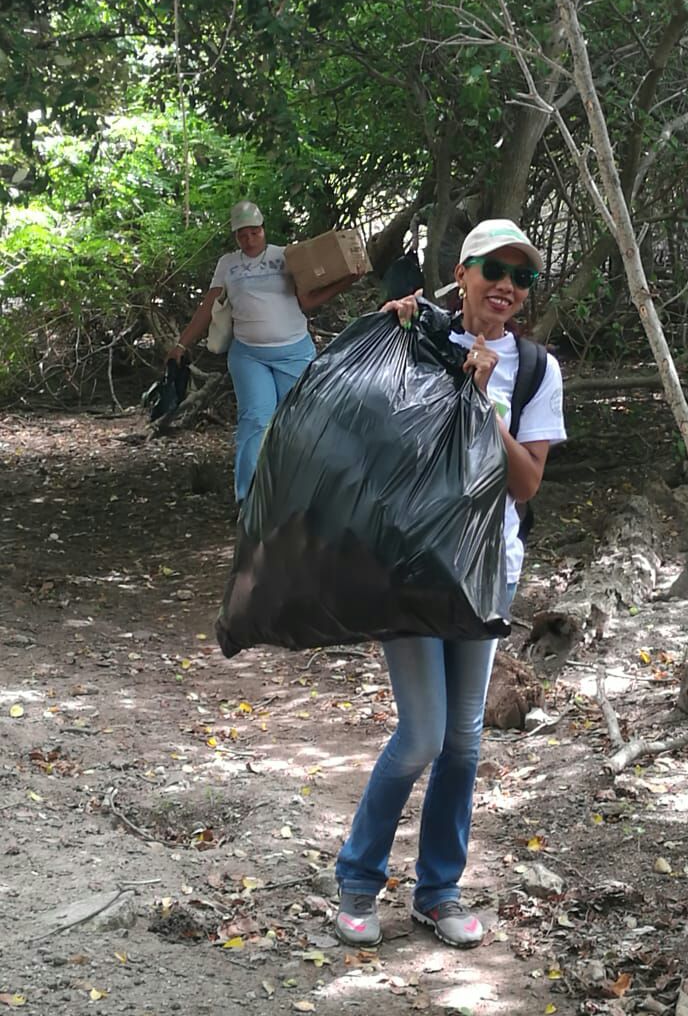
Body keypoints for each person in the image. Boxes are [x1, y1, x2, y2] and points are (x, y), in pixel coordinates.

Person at [334, 217, 566, 950]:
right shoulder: (415, 336)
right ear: (461, 272)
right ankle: (357, 883)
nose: (506, 286)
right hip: (408, 564)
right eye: (493, 269)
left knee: (463, 741)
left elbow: (525, 484)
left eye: (521, 276)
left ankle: (438, 892)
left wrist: (482, 402)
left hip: (487, 569)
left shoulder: (536, 370)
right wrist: (395, 326)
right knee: (422, 735)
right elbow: (366, 429)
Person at [166, 201, 360, 504]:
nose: (249, 239)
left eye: (254, 232)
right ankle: (248, 498)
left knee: (299, 421)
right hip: (249, 355)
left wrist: (348, 279)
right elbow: (208, 307)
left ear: (263, 230)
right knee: (255, 419)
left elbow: (307, 302)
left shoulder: (285, 256)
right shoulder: (228, 264)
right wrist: (181, 344)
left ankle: (302, 496)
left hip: (294, 352)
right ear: (235, 236)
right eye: (242, 235)